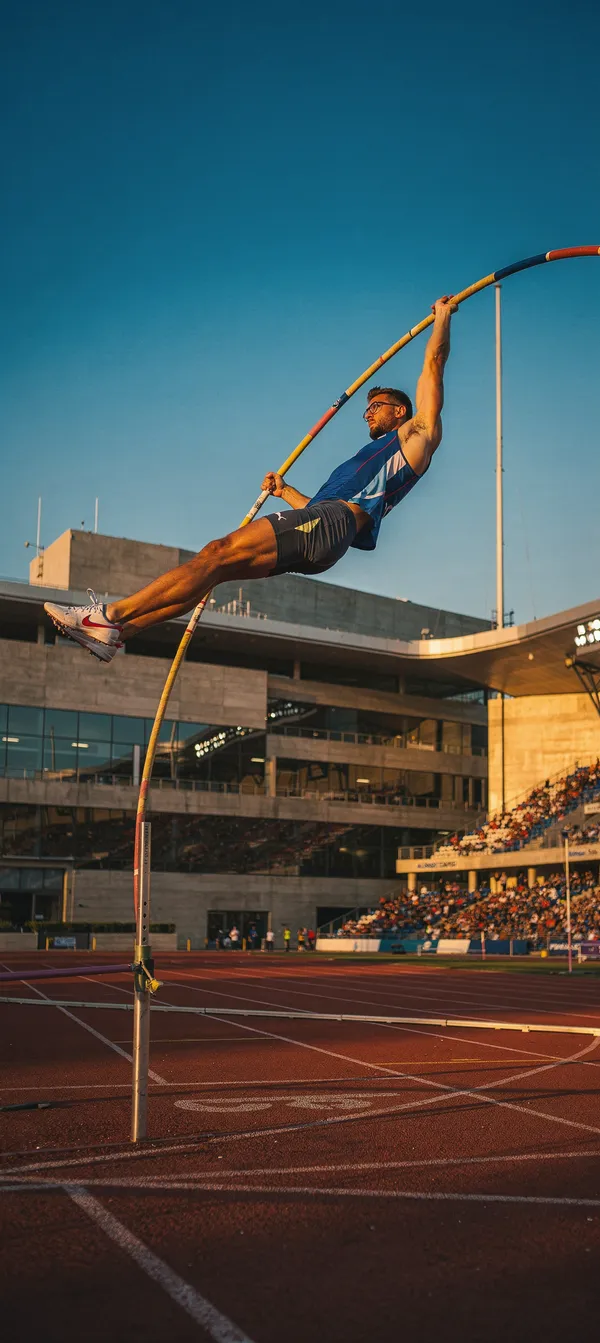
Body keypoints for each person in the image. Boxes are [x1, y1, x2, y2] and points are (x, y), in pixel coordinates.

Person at [43, 299, 457, 661]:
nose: (367, 413)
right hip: (327, 528)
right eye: (365, 409)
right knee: (215, 569)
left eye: (376, 406)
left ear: (401, 412)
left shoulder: (417, 436)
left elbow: (433, 366)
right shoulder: (365, 463)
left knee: (216, 552)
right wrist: (285, 491)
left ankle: (108, 617)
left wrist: (441, 319)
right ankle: (118, 634)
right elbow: (318, 512)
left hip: (334, 525)